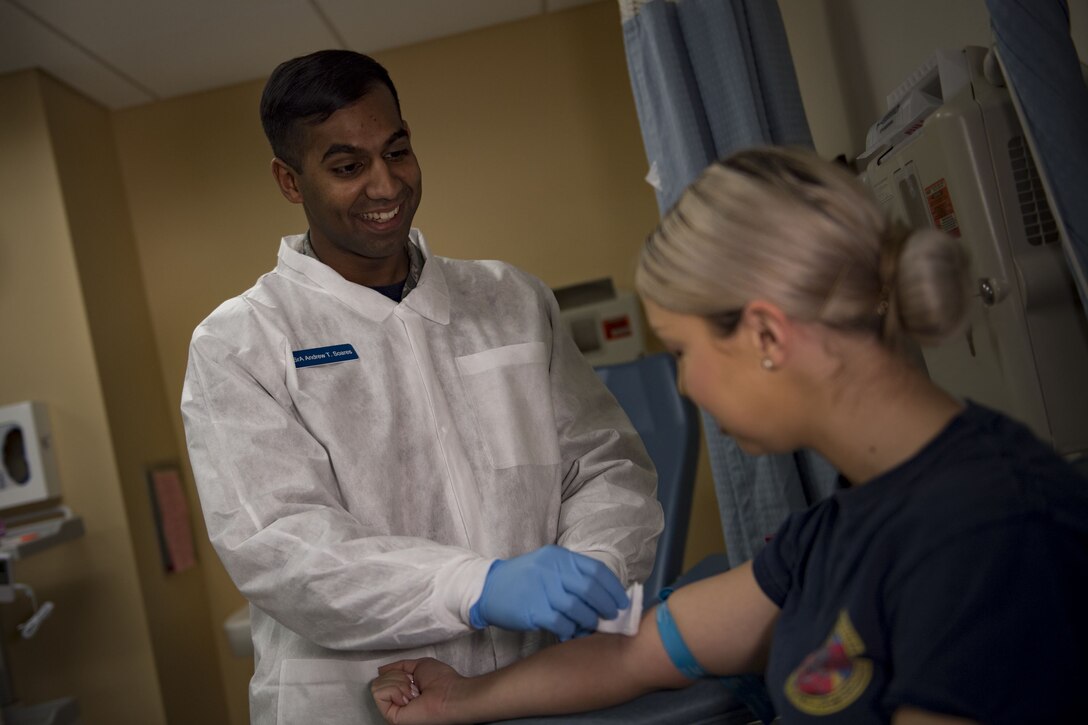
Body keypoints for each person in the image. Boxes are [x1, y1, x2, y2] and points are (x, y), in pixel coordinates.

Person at [370, 146, 1088, 724]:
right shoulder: (841, 525)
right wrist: (460, 698)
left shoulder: (993, 534)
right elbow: (645, 650)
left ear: (766, 333)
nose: (685, 385)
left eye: (683, 351)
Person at [180, 49, 663, 724]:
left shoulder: (511, 299)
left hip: (543, 683)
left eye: (397, 151)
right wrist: (477, 584)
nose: (386, 185)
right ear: (290, 182)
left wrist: (594, 564)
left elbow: (605, 463)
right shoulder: (240, 343)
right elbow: (281, 545)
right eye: (348, 167)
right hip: (358, 701)